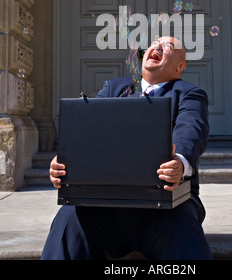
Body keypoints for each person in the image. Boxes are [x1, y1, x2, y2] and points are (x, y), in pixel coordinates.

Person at [41, 36, 212, 260]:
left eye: (168, 46)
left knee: (181, 227)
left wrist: (179, 163)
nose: (157, 47)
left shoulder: (189, 93)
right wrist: (66, 162)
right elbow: (90, 132)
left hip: (166, 208)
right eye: (154, 43)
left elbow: (191, 131)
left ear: (181, 66)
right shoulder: (114, 87)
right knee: (69, 216)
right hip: (106, 207)